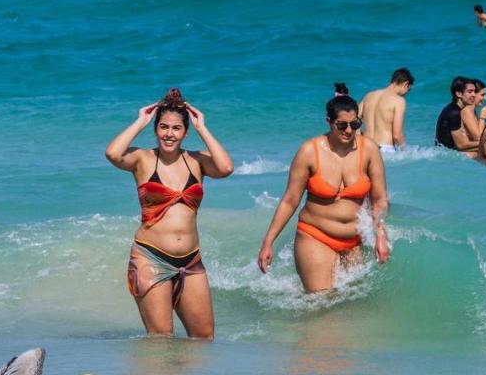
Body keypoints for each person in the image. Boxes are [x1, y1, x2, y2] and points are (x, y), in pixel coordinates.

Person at [105, 88, 234, 339]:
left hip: (191, 261)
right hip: (150, 258)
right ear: (155, 129)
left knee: (203, 338)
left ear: (185, 132)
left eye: (176, 128)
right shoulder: (142, 159)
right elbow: (113, 153)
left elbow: (226, 167)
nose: (169, 134)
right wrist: (140, 121)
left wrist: (202, 128)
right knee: (161, 339)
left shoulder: (197, 161)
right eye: (163, 127)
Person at [257, 85, 390, 292]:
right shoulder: (309, 151)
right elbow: (290, 200)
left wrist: (380, 234)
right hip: (315, 236)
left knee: (352, 308)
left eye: (355, 124)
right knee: (320, 305)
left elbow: (380, 199)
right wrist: (268, 241)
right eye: (342, 125)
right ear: (329, 122)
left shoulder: (369, 149)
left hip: (354, 241)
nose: (349, 130)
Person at [359, 67, 414, 155]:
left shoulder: (369, 96)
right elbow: (397, 135)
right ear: (405, 84)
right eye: (409, 89)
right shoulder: (398, 101)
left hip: (366, 147)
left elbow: (353, 120)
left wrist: (361, 137)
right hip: (385, 150)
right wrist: (407, 152)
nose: (407, 93)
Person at [435, 77, 482, 155]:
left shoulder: (453, 108)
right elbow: (461, 145)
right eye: (470, 92)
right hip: (447, 155)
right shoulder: (454, 113)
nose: (474, 95)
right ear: (458, 94)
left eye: (475, 91)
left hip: (446, 152)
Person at [460, 78, 486, 144]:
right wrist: (482, 116)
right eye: (482, 95)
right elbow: (478, 138)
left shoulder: (472, 110)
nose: (485, 98)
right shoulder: (467, 110)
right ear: (473, 94)